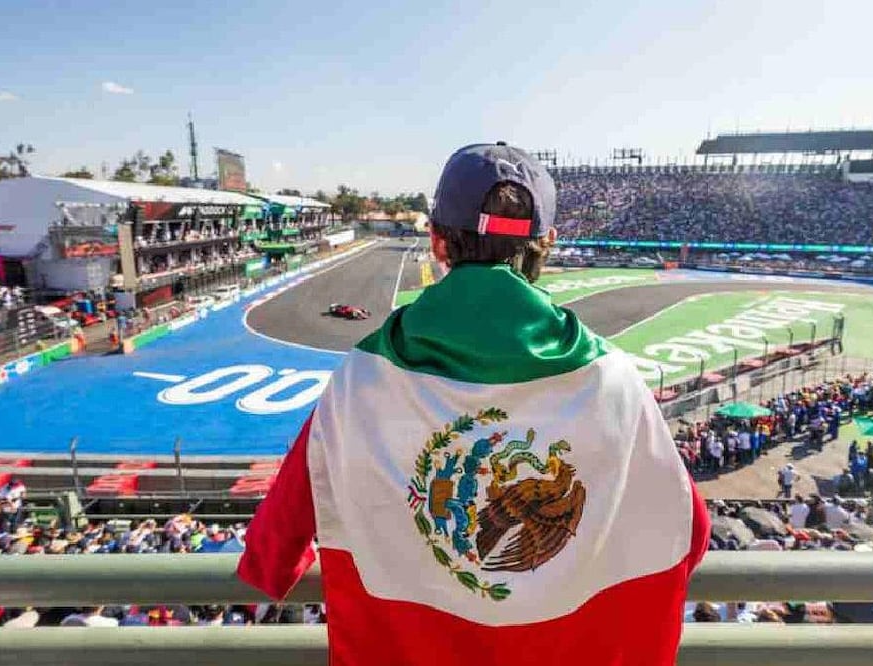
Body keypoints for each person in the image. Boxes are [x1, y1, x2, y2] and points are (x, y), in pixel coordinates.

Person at [238, 143, 710, 666]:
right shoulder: (614, 380)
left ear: (438, 243)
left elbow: (272, 554)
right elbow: (688, 533)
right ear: (546, 244)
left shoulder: (360, 379)